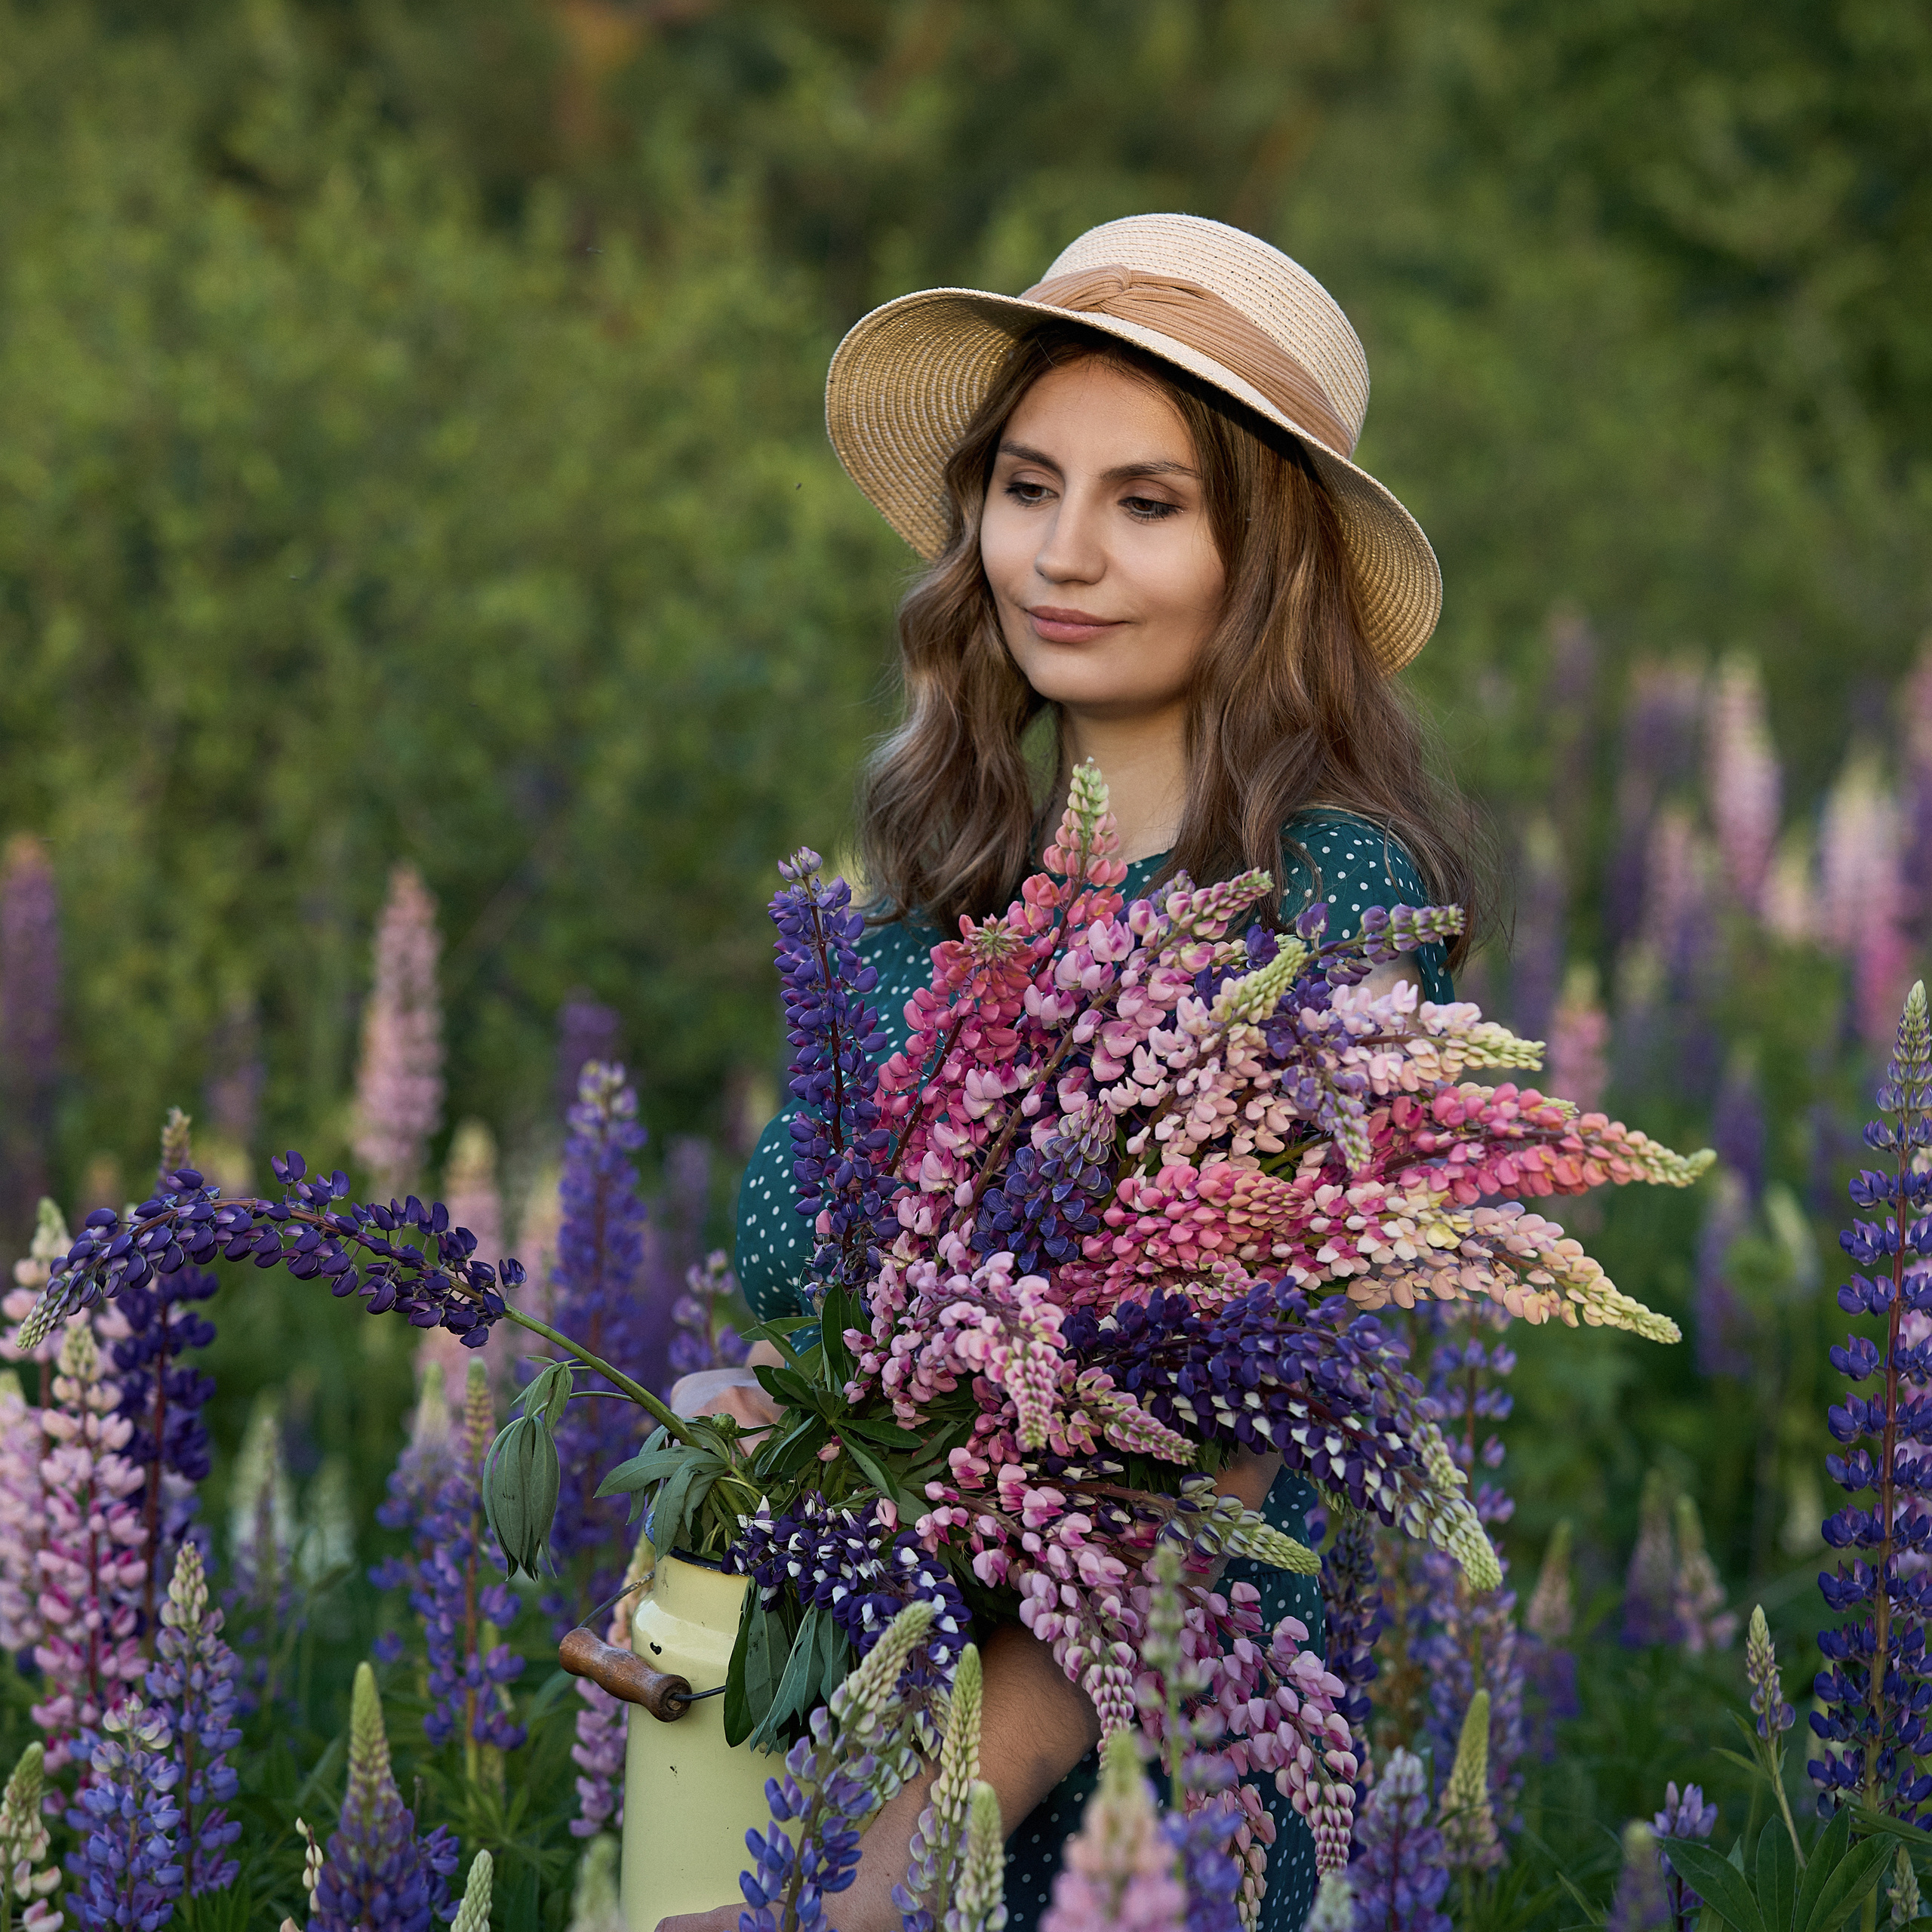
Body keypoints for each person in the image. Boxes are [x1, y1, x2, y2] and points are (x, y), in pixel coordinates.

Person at [666, 212, 1487, 1932]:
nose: (1063, 552)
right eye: (1028, 486)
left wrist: (879, 1875)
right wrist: (736, 1435)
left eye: (1147, 502)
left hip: (1126, 1824)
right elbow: (840, 1349)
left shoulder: (1324, 911)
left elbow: (1197, 1491)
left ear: (1264, 558)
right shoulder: (918, 917)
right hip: (806, 1768)